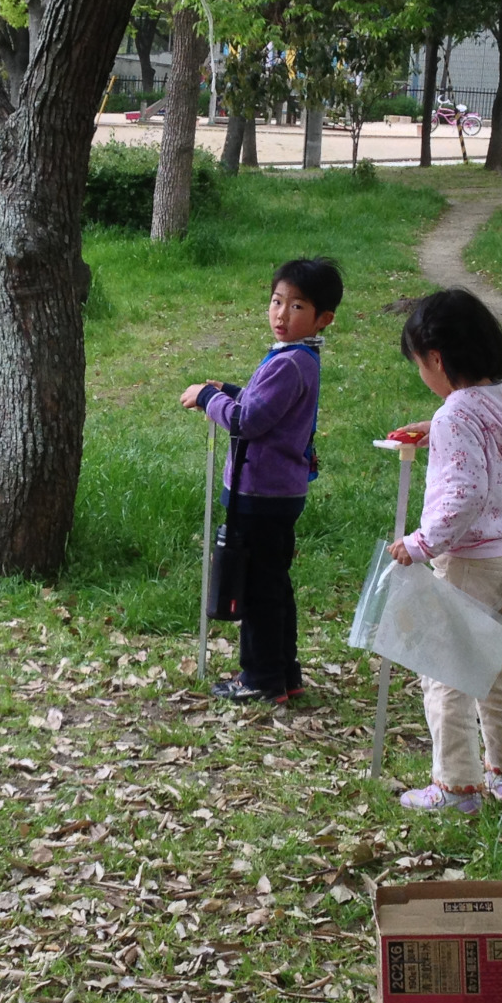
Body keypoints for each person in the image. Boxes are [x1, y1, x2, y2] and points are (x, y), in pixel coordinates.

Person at [387, 288, 502, 814]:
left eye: (419, 366)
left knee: (445, 673)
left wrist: (420, 543)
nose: (422, 376)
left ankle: (455, 787)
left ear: (436, 358)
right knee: (496, 672)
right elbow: (490, 450)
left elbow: (465, 493)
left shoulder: (457, 414)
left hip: (470, 564)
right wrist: (438, 430)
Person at [180, 258, 341, 705]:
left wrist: (208, 398)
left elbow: (248, 421)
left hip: (261, 493)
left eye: (297, 306)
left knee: (256, 589)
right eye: (276, 302)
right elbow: (264, 405)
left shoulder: (291, 363)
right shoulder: (296, 357)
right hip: (276, 493)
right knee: (273, 584)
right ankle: (284, 673)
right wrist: (231, 391)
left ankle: (261, 676)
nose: (282, 314)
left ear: (323, 318)